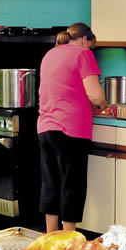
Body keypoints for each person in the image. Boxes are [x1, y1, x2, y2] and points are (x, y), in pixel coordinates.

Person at [37, 22, 106, 232]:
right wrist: (102, 104)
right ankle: (68, 238)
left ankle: (51, 234)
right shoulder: (83, 54)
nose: (90, 50)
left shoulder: (50, 54)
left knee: (51, 182)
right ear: (85, 39)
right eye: (90, 46)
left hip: (46, 127)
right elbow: (95, 95)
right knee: (72, 184)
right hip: (71, 129)